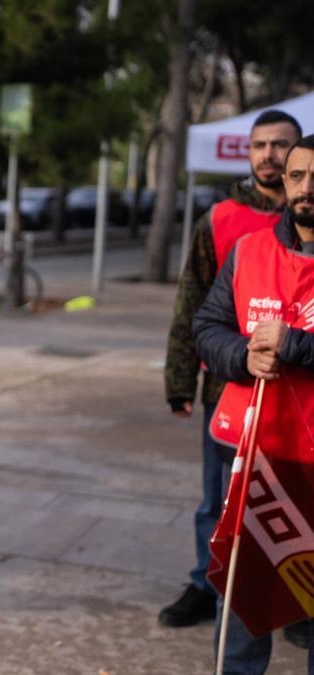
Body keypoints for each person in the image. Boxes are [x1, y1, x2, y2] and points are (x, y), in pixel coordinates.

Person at [161, 110, 302, 628]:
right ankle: (207, 581)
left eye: (279, 146)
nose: (268, 154)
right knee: (219, 496)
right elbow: (192, 304)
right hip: (228, 387)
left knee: (293, 498)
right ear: (248, 153)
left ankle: (296, 599)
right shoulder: (219, 219)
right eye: (259, 145)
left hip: (300, 397)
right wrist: (179, 380)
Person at [193, 134, 314, 675]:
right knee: (245, 595)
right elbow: (206, 328)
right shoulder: (250, 249)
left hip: (310, 457)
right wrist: (244, 356)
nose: (307, 188)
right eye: (297, 176)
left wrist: (294, 345)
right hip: (250, 450)